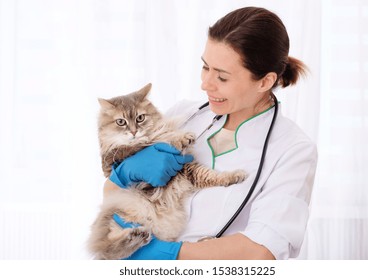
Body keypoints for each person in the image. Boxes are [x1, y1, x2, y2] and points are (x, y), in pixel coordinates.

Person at [104, 6, 317, 260]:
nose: (205, 84)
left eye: (222, 77)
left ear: (265, 81)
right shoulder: (183, 116)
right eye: (205, 67)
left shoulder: (293, 149)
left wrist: (167, 255)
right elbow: (111, 196)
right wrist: (123, 175)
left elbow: (261, 252)